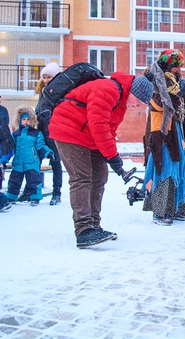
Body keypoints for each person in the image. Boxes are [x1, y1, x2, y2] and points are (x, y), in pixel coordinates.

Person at [49, 72, 154, 248]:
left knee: (99, 176)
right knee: (82, 178)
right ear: (132, 90)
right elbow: (99, 125)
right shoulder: (108, 89)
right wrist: (112, 157)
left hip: (88, 136)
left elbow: (109, 131)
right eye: (139, 100)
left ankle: (94, 225)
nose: (138, 105)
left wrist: (114, 160)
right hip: (69, 130)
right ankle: (83, 229)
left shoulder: (121, 102)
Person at [142, 50, 185, 226]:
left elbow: (182, 110)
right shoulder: (154, 80)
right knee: (164, 168)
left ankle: (178, 208)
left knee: (179, 169)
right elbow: (156, 104)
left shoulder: (177, 81)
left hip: (176, 130)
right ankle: (160, 211)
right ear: (167, 65)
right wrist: (177, 94)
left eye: (180, 66)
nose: (179, 69)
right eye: (175, 66)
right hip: (161, 131)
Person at [6, 106, 54, 207]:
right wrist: (4, 158)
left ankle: (35, 197)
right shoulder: (16, 134)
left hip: (32, 161)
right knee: (14, 181)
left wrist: (48, 153)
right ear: (19, 120)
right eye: (23, 119)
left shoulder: (36, 133)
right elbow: (10, 147)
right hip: (18, 161)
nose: (26, 122)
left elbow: (40, 145)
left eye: (28, 119)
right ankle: (11, 196)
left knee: (34, 180)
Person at [35, 62, 63, 205]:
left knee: (56, 163)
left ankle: (56, 192)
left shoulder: (60, 91)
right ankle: (34, 191)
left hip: (53, 132)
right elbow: (39, 109)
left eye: (49, 77)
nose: (46, 79)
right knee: (36, 162)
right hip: (41, 132)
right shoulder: (42, 92)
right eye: (44, 77)